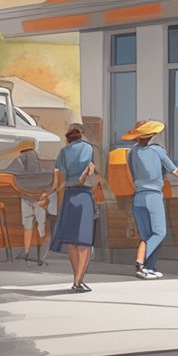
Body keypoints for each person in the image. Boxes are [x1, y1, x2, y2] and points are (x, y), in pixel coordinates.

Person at [123, 120, 178, 279]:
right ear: (152, 135)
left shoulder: (131, 153)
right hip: (153, 196)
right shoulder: (158, 151)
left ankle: (149, 267)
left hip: (138, 197)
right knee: (159, 233)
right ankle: (140, 263)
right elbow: (173, 169)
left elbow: (132, 175)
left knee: (148, 236)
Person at [48, 124, 107, 292]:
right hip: (84, 197)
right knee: (85, 242)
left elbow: (57, 180)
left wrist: (47, 196)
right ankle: (78, 281)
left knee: (73, 243)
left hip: (69, 197)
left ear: (68, 137)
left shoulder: (63, 152)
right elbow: (93, 173)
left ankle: (77, 278)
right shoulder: (89, 149)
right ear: (81, 135)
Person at [6, 141, 55, 266]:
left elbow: (9, 174)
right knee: (41, 227)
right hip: (38, 198)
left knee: (27, 228)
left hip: (26, 197)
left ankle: (28, 254)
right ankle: (39, 257)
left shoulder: (18, 162)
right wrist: (46, 194)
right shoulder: (40, 162)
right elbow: (50, 180)